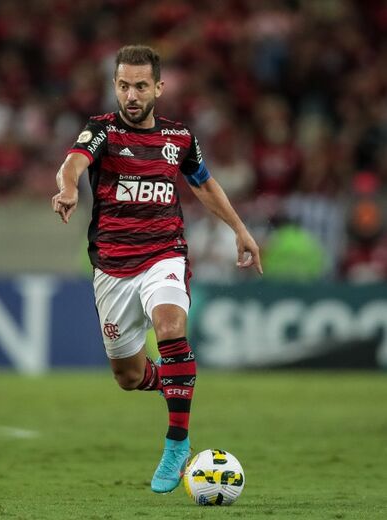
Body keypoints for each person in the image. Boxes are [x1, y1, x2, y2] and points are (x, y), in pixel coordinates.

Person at [51, 45, 262, 494]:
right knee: (128, 377)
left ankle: (176, 444)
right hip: (112, 268)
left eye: (141, 85)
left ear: (159, 88)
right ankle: (176, 383)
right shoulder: (101, 131)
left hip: (164, 254)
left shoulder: (179, 137)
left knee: (170, 328)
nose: (131, 94)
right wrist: (68, 189)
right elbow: (72, 164)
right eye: (124, 85)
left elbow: (204, 184)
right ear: (115, 86)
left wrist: (239, 231)